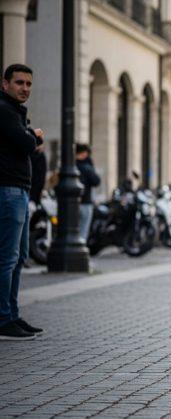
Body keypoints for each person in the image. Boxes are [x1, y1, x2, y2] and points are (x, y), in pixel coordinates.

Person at [0, 64, 45, 340]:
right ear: (5, 84)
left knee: (20, 258)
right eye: (19, 83)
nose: (25, 88)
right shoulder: (4, 110)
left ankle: (13, 315)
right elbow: (28, 144)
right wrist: (34, 135)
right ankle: (4, 318)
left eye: (28, 84)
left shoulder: (15, 112)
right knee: (7, 259)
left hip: (19, 192)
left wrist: (30, 135)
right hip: (8, 191)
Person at [75, 143, 100, 242]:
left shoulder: (70, 164)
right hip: (85, 203)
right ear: (84, 153)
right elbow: (96, 181)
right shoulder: (86, 166)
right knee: (83, 232)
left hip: (71, 204)